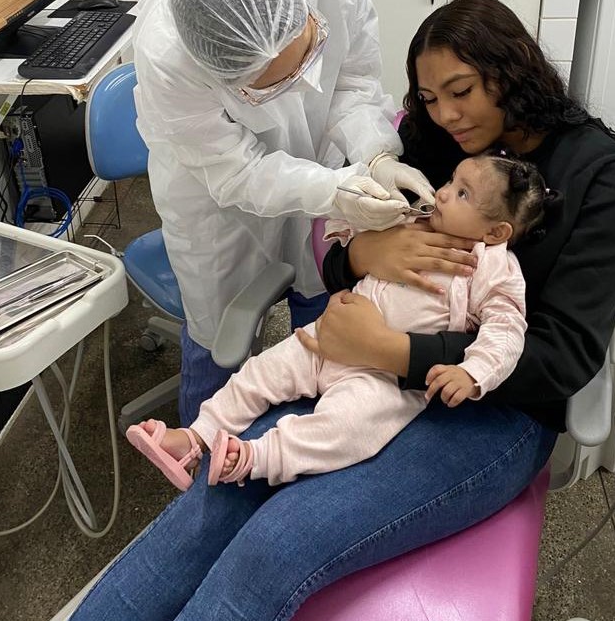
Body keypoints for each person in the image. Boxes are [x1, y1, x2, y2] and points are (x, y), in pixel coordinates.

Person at [64, 0, 615, 621]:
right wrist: (367, 252)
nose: (445, 115)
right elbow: (340, 254)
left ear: (514, 70)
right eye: (428, 98)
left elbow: (564, 356)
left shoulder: (600, 176)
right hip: (352, 366)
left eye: (462, 92)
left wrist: (393, 351)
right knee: (215, 498)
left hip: (491, 409)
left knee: (277, 544)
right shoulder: (436, 143)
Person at [132, 0, 434, 425]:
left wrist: (376, 154)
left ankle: (310, 432)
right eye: (273, 85)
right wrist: (334, 190)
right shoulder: (169, 59)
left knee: (321, 303)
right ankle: (199, 454)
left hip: (321, 154)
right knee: (218, 337)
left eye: (310, 51)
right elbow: (240, 171)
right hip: (215, 199)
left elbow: (352, 83)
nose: (305, 83)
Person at [126, 152, 555, 490]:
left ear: (497, 233)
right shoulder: (418, 218)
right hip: (326, 338)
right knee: (258, 373)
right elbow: (342, 232)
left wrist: (473, 372)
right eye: (450, 182)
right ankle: (194, 438)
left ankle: (255, 458)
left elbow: (506, 331)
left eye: (462, 194)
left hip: (382, 377)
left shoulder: (493, 268)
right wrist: (365, 214)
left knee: (348, 430)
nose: (442, 194)